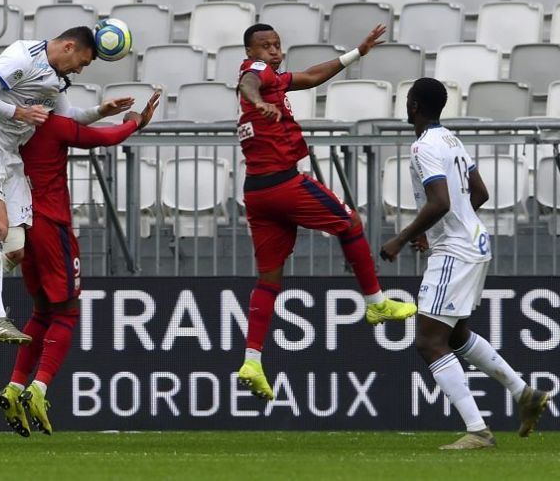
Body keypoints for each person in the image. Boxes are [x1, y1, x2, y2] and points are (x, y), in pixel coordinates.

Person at [0, 27, 134, 360]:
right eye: (81, 62)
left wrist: (101, 112)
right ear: (68, 47)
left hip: (11, 156)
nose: (79, 70)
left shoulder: (54, 79)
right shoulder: (23, 57)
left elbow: (69, 118)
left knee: (14, 251)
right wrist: (18, 112)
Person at [235, 23, 418, 401]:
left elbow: (313, 76)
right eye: (264, 46)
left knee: (269, 279)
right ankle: (376, 304)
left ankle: (252, 359)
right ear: (251, 53)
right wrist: (258, 102)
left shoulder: (275, 80)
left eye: (277, 44)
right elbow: (247, 85)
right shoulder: (256, 75)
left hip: (257, 193)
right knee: (350, 222)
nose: (272, 51)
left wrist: (357, 52)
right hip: (283, 184)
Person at [380, 77, 551, 449]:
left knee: (428, 342)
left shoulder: (424, 146)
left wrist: (403, 237)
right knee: (454, 336)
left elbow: (440, 201)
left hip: (455, 250)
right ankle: (525, 393)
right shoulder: (452, 140)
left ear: (412, 106)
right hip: (474, 240)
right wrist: (441, 227)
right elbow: (480, 193)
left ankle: (478, 431)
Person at [0, 92, 161, 437]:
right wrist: (133, 121)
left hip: (21, 224)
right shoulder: (54, 127)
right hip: (52, 225)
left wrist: (104, 112)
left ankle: (13, 386)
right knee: (67, 311)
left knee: (41, 311)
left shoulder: (11, 126)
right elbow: (105, 137)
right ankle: (38, 389)